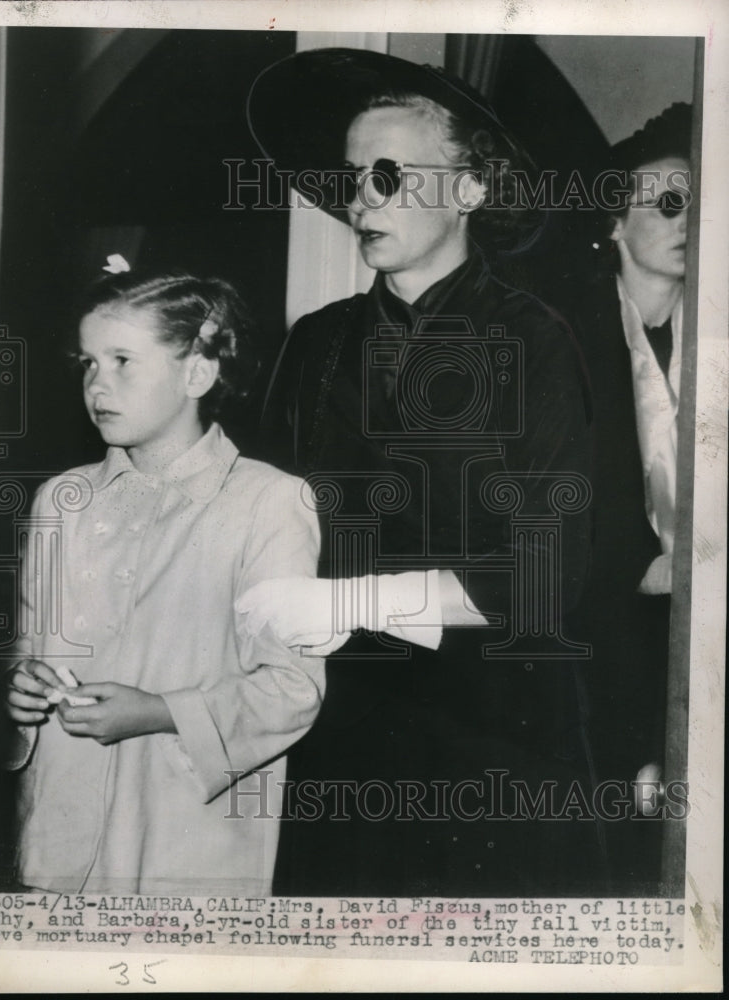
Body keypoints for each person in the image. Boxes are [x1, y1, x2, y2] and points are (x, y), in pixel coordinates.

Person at [239, 48, 601, 896]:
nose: (364, 197)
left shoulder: (536, 341)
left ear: (471, 188)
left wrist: (346, 600)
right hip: (341, 737)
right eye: (356, 176)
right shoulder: (318, 342)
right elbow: (261, 521)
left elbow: (544, 576)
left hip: (496, 742)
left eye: (392, 174)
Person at [0, 262, 324, 895]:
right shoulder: (57, 500)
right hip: (55, 844)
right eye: (87, 363)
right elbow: (24, 645)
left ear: (197, 372)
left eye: (123, 360)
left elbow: (292, 690)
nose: (98, 384)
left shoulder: (269, 502)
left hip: (186, 843)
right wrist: (16, 692)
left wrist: (157, 712)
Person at [562, 104, 692, 892]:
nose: (689, 224)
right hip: (603, 630)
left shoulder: (711, 335)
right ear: (615, 220)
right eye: (667, 205)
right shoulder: (568, 338)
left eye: (699, 208)